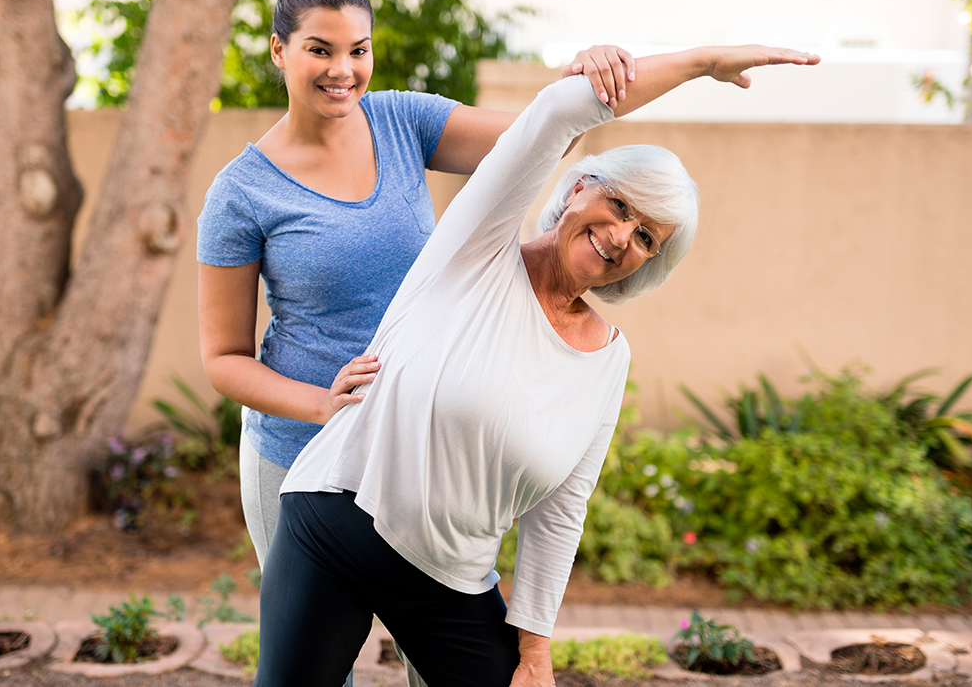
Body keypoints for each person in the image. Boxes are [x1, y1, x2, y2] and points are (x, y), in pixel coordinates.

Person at [252, 44, 819, 687]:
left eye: (646, 239)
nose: (621, 237)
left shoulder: (608, 359)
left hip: (451, 578)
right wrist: (700, 63)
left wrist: (535, 651)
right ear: (579, 189)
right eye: (622, 207)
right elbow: (555, 114)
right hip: (338, 520)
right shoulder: (479, 249)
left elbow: (561, 510)